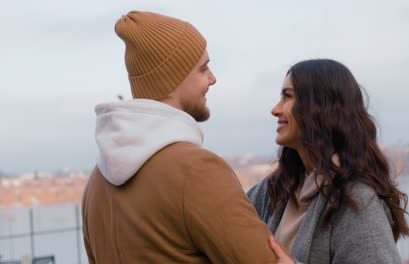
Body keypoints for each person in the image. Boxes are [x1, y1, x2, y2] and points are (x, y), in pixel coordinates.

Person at [81, 11, 282, 264]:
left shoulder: (96, 183)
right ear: (171, 79)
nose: (212, 79)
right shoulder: (197, 170)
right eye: (203, 68)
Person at [248, 59, 409, 264]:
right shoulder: (275, 189)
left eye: (287, 96)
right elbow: (225, 219)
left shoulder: (357, 200)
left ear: (319, 106)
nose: (275, 109)